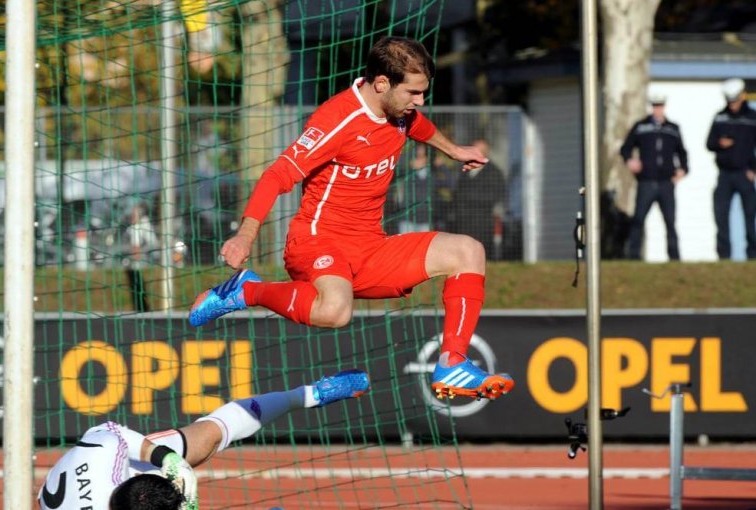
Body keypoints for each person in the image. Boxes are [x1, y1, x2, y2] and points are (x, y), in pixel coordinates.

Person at [189, 36, 514, 402]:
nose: (420, 101)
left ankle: (452, 364)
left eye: (423, 93)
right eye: (414, 92)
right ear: (381, 83)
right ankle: (247, 290)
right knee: (336, 311)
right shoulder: (336, 119)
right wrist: (246, 235)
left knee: (468, 251)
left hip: (370, 246)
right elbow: (277, 175)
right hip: (317, 240)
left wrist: (454, 150)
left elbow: (418, 125)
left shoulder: (399, 111)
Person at [38, 369, 370, 510]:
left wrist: (165, 459)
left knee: (207, 437)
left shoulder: (106, 455)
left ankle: (309, 394)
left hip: (104, 481)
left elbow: (116, 434)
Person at [619, 88, 689, 261]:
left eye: (660, 106)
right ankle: (634, 257)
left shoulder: (673, 129)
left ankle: (674, 258)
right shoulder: (641, 126)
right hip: (646, 182)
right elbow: (626, 148)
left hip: (666, 182)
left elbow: (682, 152)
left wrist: (683, 169)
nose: (658, 109)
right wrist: (630, 160)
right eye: (655, 106)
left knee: (670, 222)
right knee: (639, 220)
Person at [706, 78, 756, 260]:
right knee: (721, 214)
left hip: (745, 174)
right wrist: (719, 143)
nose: (732, 105)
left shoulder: (753, 118)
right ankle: (724, 255)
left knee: (750, 216)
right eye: (729, 101)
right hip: (725, 175)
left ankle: (753, 255)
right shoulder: (720, 117)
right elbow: (709, 143)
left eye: (735, 100)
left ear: (742, 96)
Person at [452, 139, 507, 260]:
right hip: (463, 220)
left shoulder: (494, 172)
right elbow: (456, 191)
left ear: (486, 153)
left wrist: (468, 196)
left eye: (481, 151)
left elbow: (494, 196)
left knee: (479, 255)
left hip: (481, 221)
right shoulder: (465, 170)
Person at [125, 203, 158, 312]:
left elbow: (136, 248)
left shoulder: (139, 225)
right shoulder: (140, 224)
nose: (132, 216)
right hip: (151, 255)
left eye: (134, 214)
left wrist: (135, 257)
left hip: (149, 257)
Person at [393, 143, 432, 233]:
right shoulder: (407, 173)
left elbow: (451, 183)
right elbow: (397, 162)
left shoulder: (432, 176)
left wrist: (442, 166)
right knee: (405, 245)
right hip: (406, 219)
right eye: (416, 157)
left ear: (427, 159)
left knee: (423, 246)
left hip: (424, 219)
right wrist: (411, 157)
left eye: (421, 157)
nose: (418, 160)